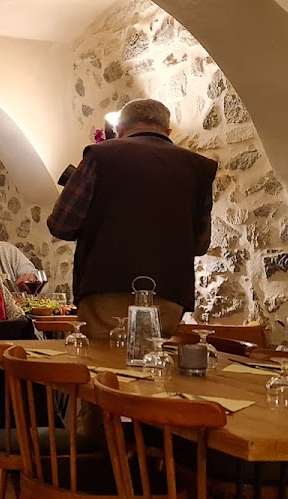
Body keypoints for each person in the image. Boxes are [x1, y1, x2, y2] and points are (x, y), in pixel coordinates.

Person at [47, 98, 216, 338]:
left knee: (103, 366)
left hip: (106, 288)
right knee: (151, 367)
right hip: (170, 293)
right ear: (167, 131)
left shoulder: (100, 155)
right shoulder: (200, 168)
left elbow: (61, 225)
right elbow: (200, 244)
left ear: (120, 129)